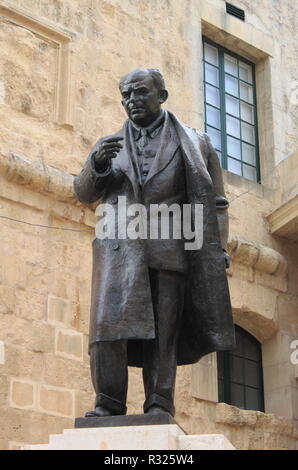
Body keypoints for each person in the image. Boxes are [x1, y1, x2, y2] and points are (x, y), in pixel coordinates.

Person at [74, 68, 235, 418]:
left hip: (171, 252)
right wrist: (96, 163)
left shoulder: (198, 143)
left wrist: (219, 247)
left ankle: (159, 403)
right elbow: (83, 193)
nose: (133, 100)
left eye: (141, 92)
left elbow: (217, 203)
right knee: (107, 330)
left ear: (162, 96)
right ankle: (108, 403)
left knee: (164, 335)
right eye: (127, 95)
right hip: (118, 251)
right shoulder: (109, 147)